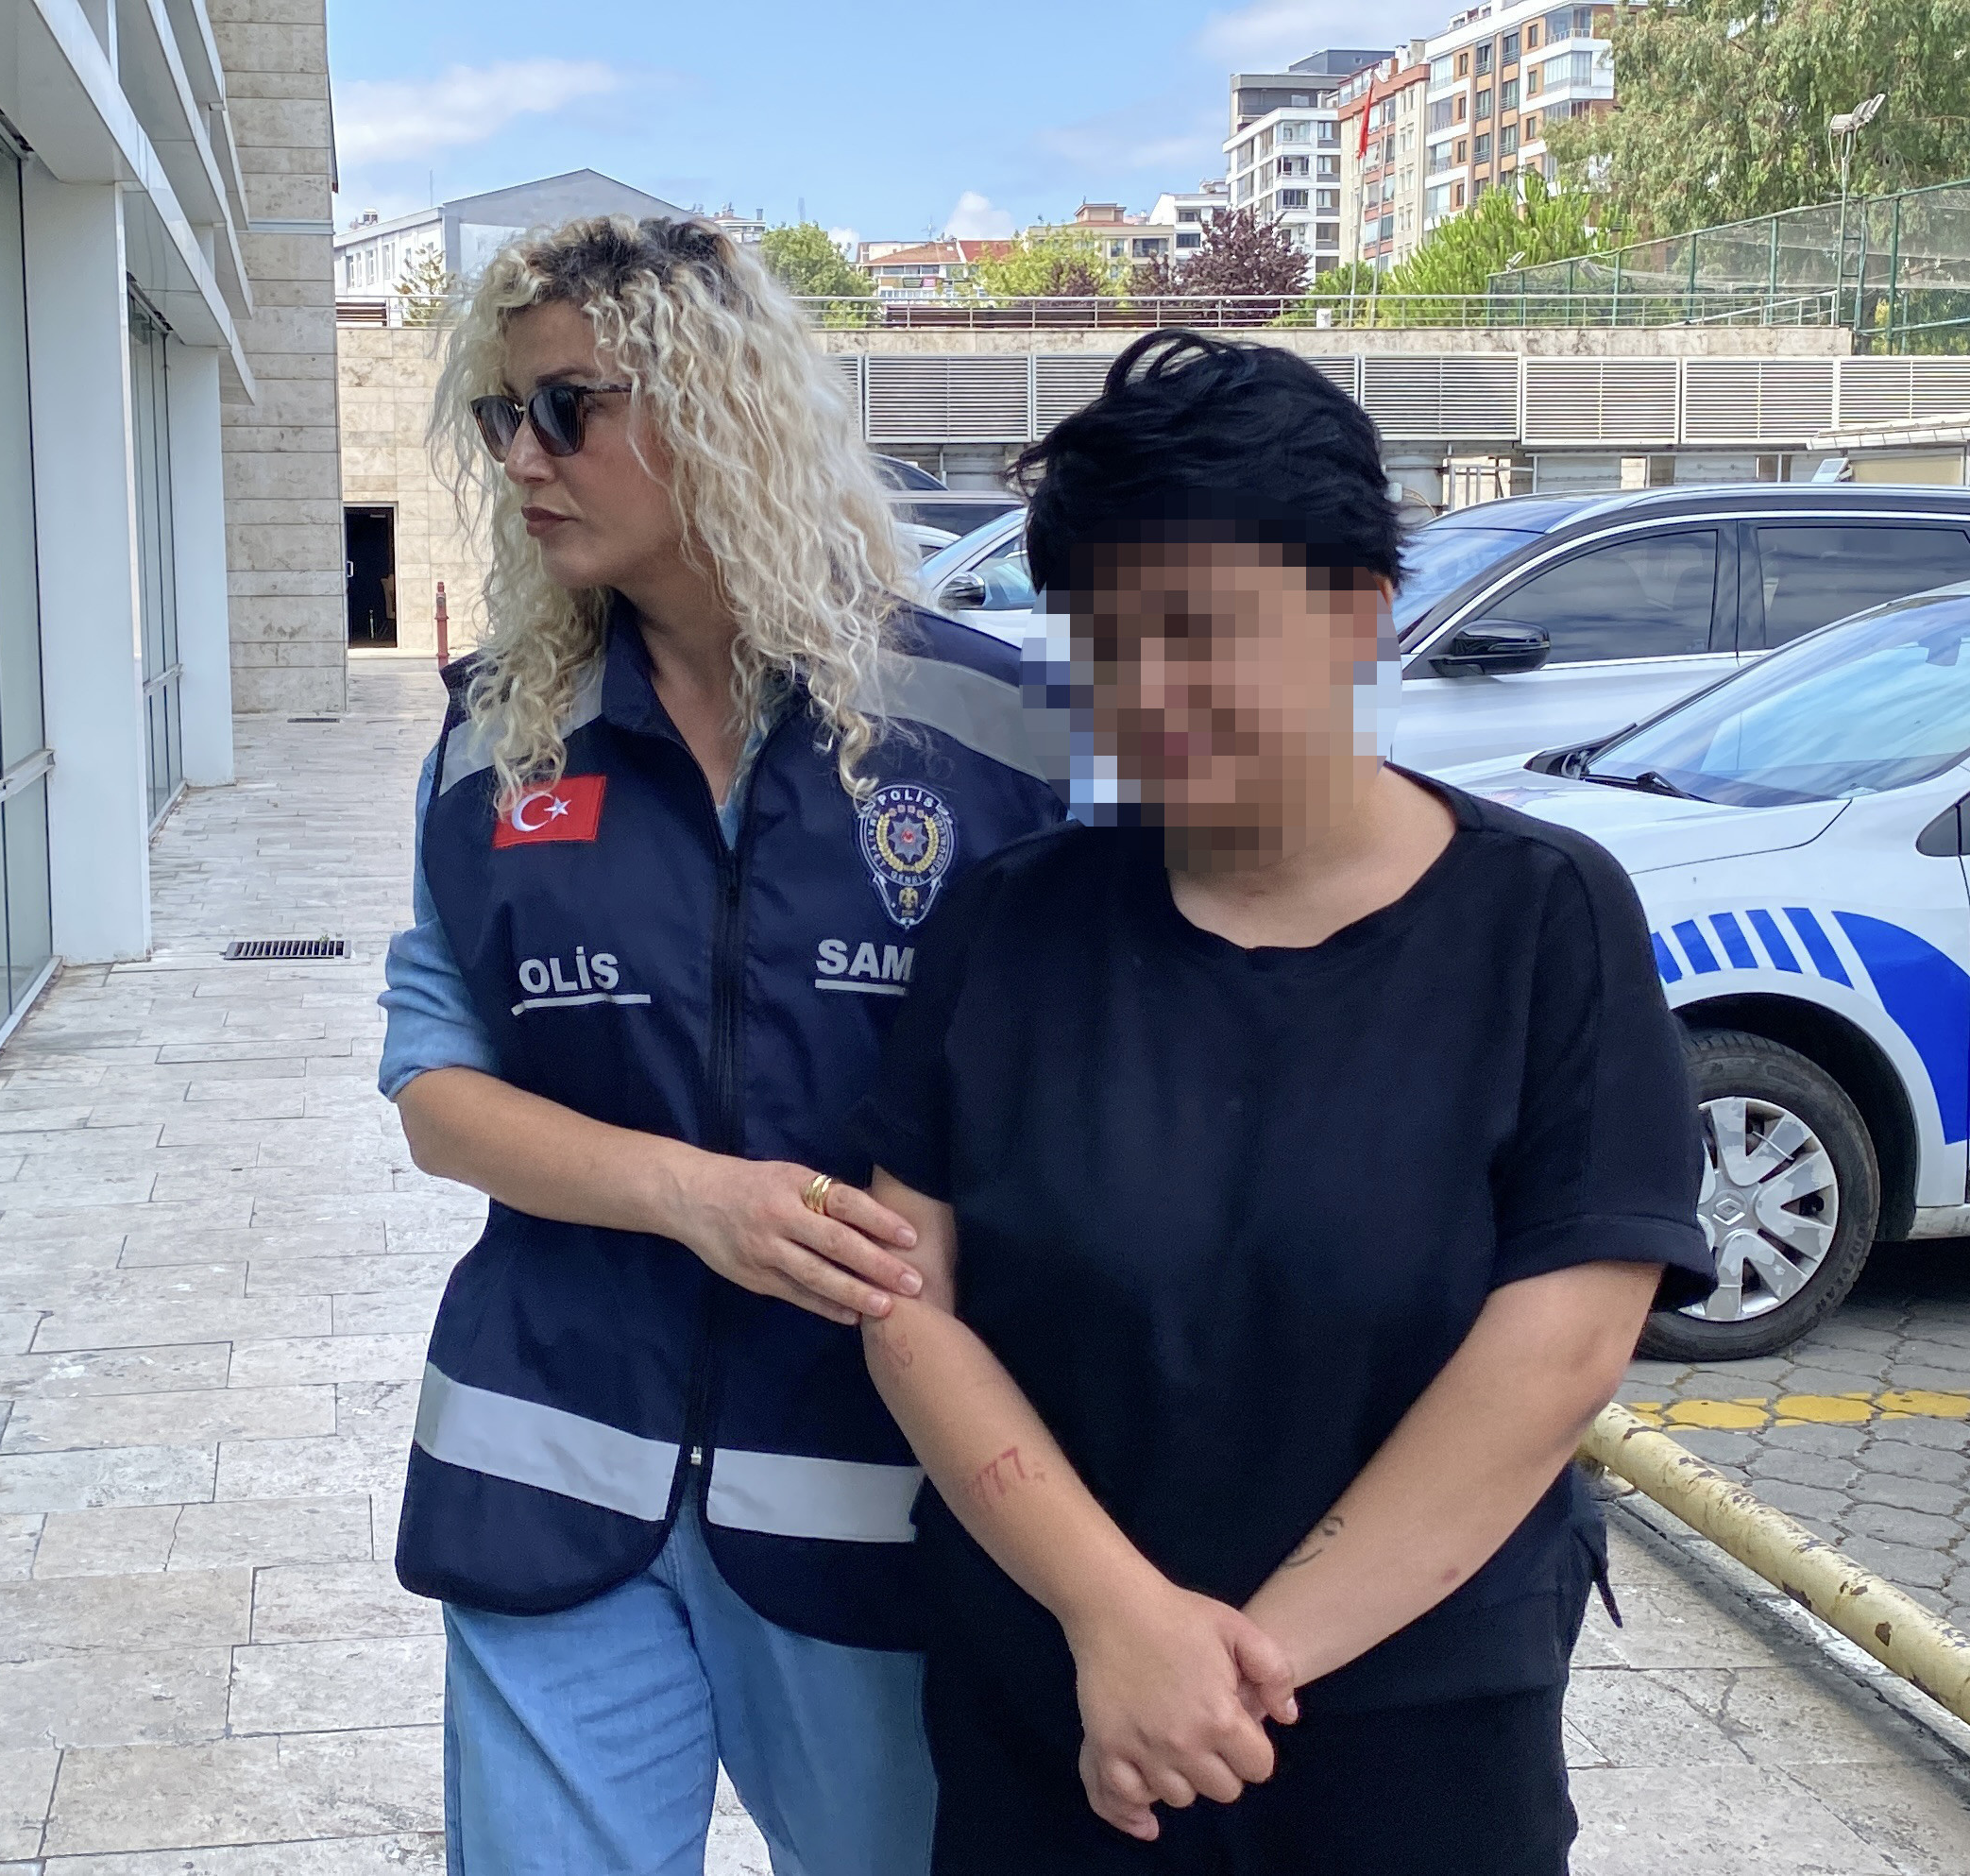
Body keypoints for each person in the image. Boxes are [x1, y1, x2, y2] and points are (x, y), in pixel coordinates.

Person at [846, 330, 1712, 1872]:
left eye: (1204, 631)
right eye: (1108, 640)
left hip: (1412, 1730)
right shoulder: (1009, 921)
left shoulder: (1543, 918)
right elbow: (909, 1302)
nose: (1150, 692)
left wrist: (1230, 1673)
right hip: (1057, 1709)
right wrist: (1117, 1619)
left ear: (1360, 614)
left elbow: (1563, 1342)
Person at [375, 214, 1071, 1876]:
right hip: (548, 1464)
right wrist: (695, 1195)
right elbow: (439, 1091)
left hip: (875, 1494)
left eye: (567, 408)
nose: (522, 460)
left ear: (717, 406)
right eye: (502, 416)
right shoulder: (497, 734)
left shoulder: (999, 735)